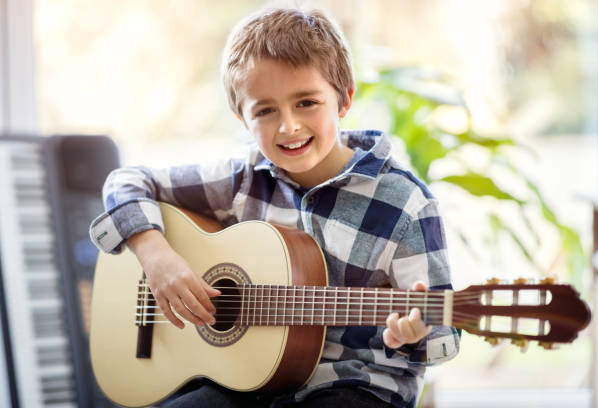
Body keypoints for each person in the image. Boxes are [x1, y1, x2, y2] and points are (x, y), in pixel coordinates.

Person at [89, 7, 460, 408]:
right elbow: (125, 180)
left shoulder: (405, 204)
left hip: (355, 386)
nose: (288, 127)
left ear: (344, 99)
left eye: (306, 102)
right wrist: (156, 256)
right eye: (265, 111)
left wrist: (415, 334)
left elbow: (445, 339)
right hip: (242, 379)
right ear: (242, 119)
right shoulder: (242, 179)